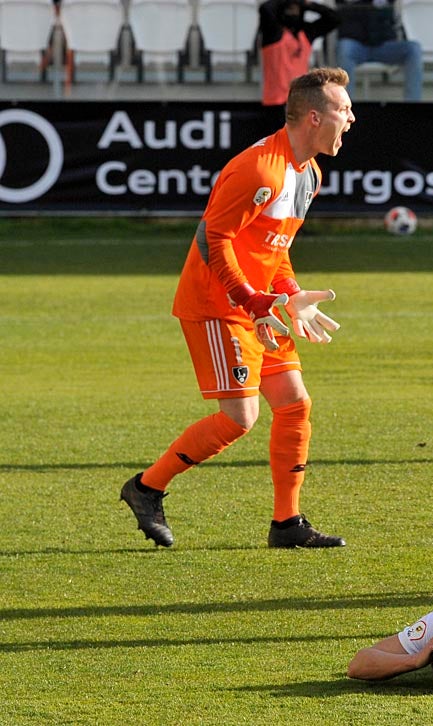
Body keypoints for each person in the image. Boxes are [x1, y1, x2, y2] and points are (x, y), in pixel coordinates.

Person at [119, 68, 354, 549]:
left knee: (294, 404)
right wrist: (251, 299)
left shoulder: (308, 173)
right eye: (343, 109)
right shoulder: (259, 168)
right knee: (238, 419)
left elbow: (274, 247)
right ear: (314, 116)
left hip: (260, 305)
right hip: (217, 304)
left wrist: (289, 294)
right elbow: (214, 238)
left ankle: (286, 523)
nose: (351, 117)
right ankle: (146, 488)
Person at [334, 0, 422, 101]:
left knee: (413, 49)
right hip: (356, 45)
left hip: (383, 45)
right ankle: (345, 108)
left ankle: (412, 105)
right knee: (344, 48)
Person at [259, 0, 341, 108]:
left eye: (296, 9)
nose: (293, 13)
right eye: (289, 10)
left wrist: (307, 4)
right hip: (276, 102)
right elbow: (265, 9)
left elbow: (335, 19)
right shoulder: (273, 33)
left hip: (300, 102)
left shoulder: (306, 33)